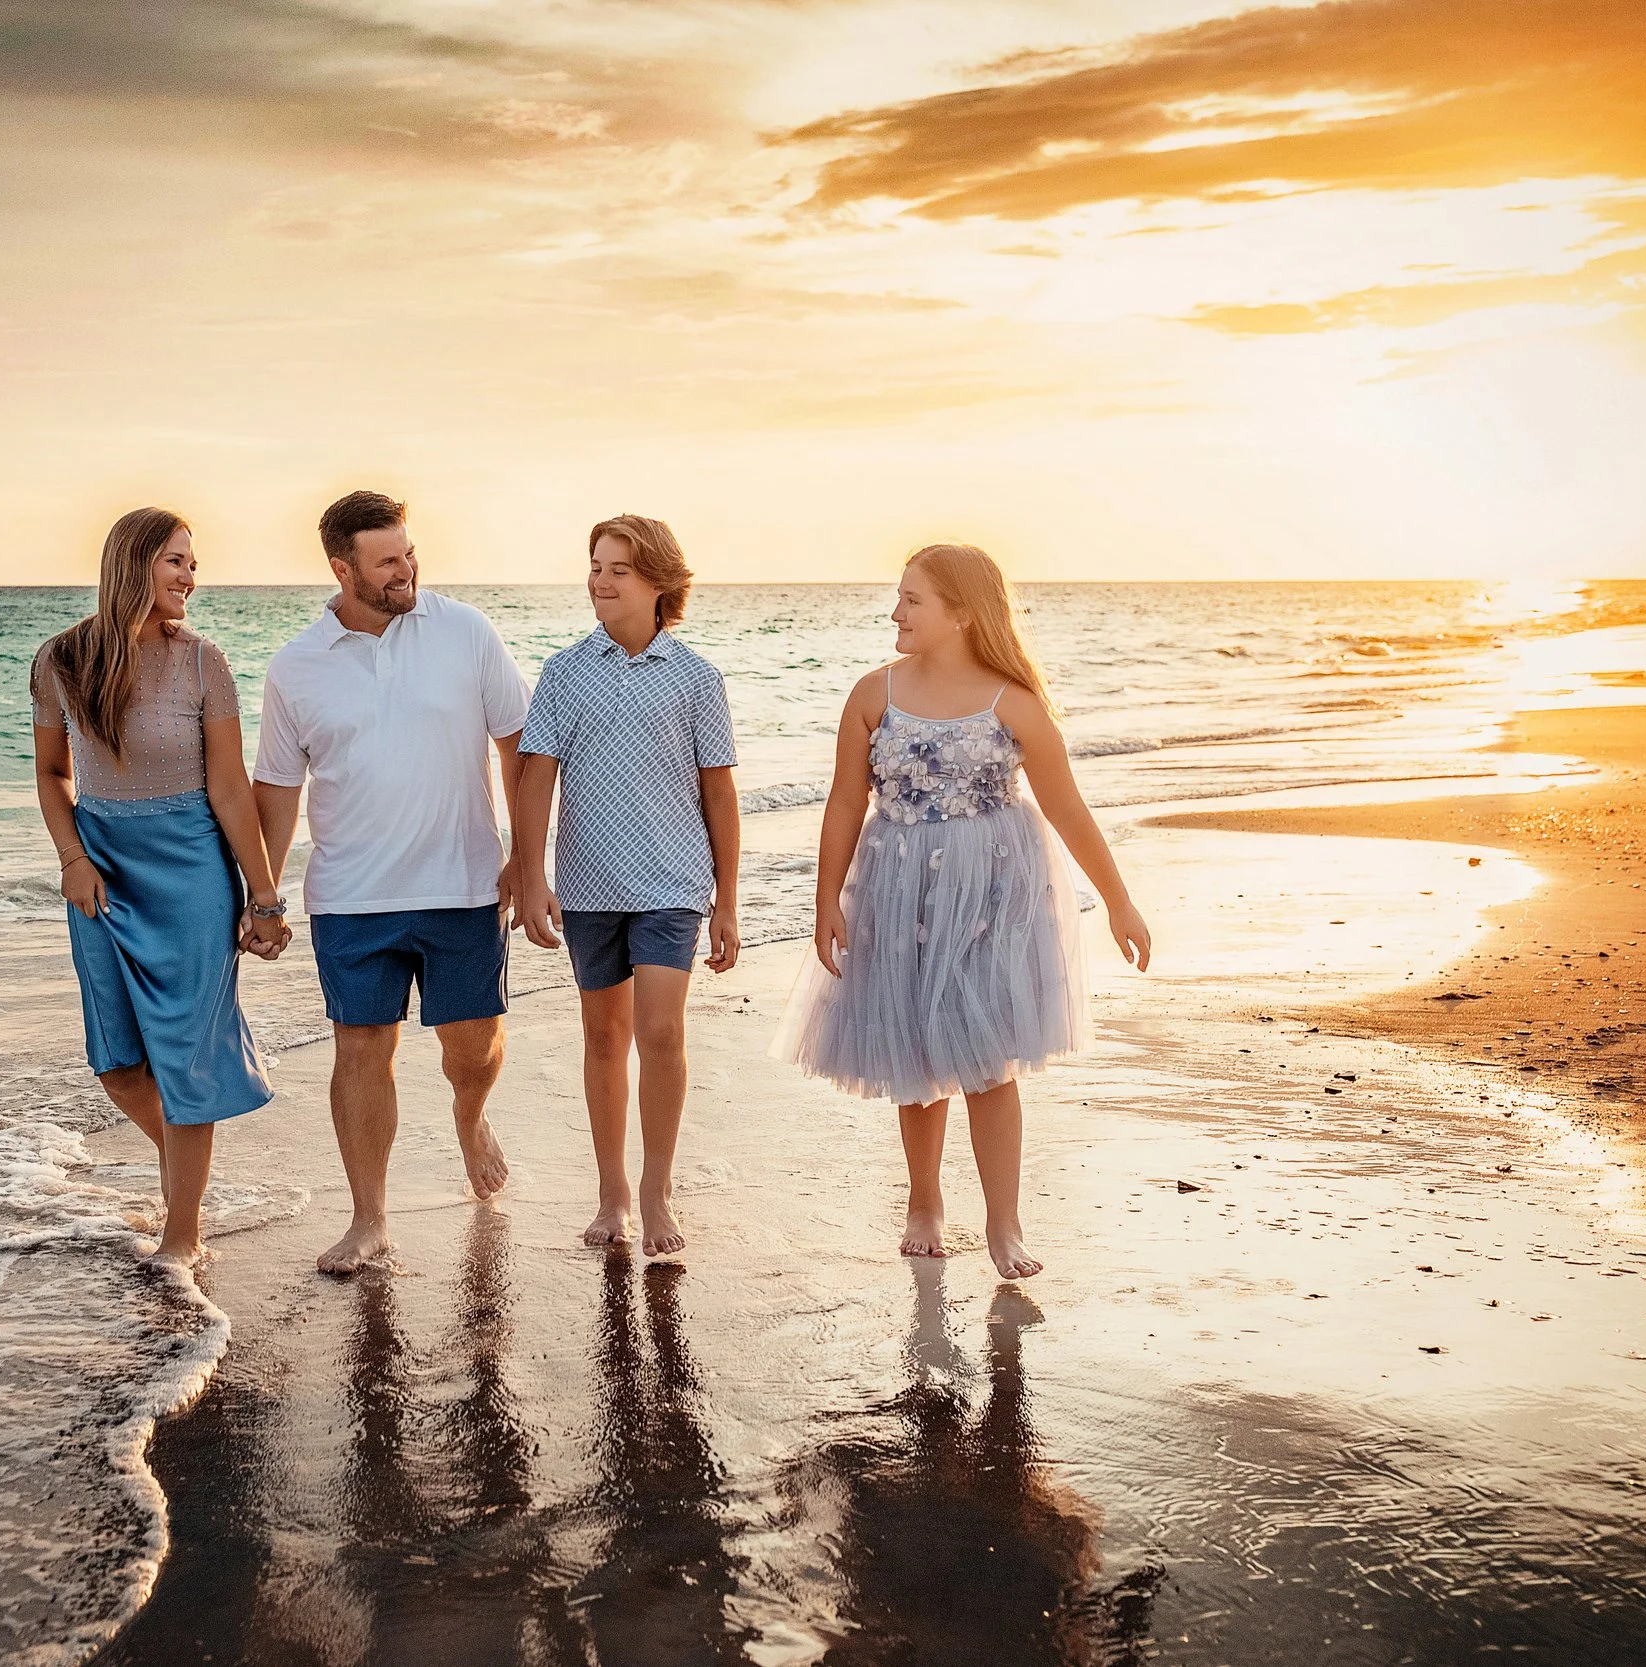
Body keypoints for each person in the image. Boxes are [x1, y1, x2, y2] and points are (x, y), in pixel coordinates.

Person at [775, 543, 1151, 1280]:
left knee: (988, 1056)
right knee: (914, 1048)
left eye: (912, 598)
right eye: (898, 595)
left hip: (993, 894)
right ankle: (923, 1201)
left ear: (962, 613)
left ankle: (1004, 1222)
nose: (896, 611)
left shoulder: (1012, 703)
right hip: (897, 888)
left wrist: (1118, 899)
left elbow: (1066, 807)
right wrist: (825, 899)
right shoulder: (871, 695)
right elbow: (847, 802)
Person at [253, 490, 530, 1276]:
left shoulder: (465, 631)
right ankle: (369, 1216)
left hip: (464, 883)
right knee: (361, 1050)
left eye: (409, 552)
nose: (407, 569)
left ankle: (469, 1117)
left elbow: (519, 744)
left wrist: (524, 853)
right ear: (342, 569)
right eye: (386, 561)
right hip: (351, 895)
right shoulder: (296, 667)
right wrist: (264, 891)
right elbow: (277, 789)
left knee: (471, 1047)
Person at [33, 507, 288, 1270]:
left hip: (190, 873)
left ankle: (184, 1231)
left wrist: (265, 895)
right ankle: (186, 1171)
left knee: (188, 1058)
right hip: (101, 871)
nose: (190, 576)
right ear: (134, 564)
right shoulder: (61, 660)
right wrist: (72, 858)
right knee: (117, 1062)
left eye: (192, 562)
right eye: (176, 561)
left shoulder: (205, 662)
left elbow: (231, 788)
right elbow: (52, 774)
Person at [514, 515, 739, 1257]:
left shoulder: (697, 679)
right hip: (587, 885)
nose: (600, 581)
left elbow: (719, 795)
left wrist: (728, 900)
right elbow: (535, 777)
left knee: (662, 1030)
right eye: (595, 566)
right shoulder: (562, 673)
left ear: (659, 584)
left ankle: (657, 1188)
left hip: (673, 882)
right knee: (604, 1035)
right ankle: (613, 1192)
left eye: (618, 569)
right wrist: (531, 875)